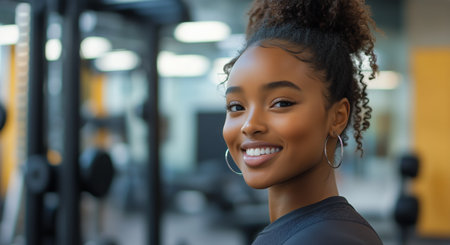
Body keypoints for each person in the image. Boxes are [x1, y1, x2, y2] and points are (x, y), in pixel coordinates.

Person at [221, 0, 383, 244]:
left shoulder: (327, 238)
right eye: (236, 107)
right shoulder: (312, 231)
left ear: (337, 117)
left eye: (281, 103)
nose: (249, 125)